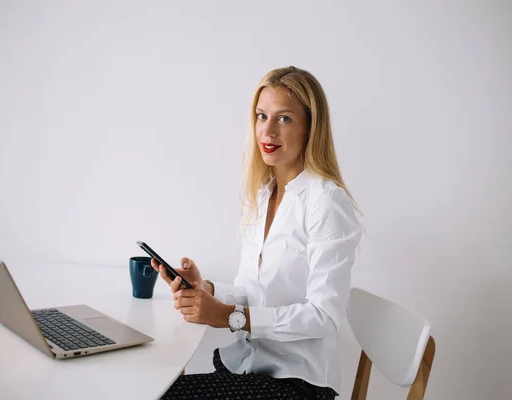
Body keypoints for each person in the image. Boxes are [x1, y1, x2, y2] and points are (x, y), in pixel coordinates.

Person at [152, 66, 363, 399]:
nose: (268, 131)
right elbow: (250, 291)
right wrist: (204, 289)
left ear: (311, 127)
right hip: (249, 365)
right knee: (155, 387)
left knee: (161, 393)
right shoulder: (264, 194)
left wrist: (230, 317)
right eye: (262, 116)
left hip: (299, 383)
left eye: (284, 119)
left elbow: (323, 316)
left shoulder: (327, 201)